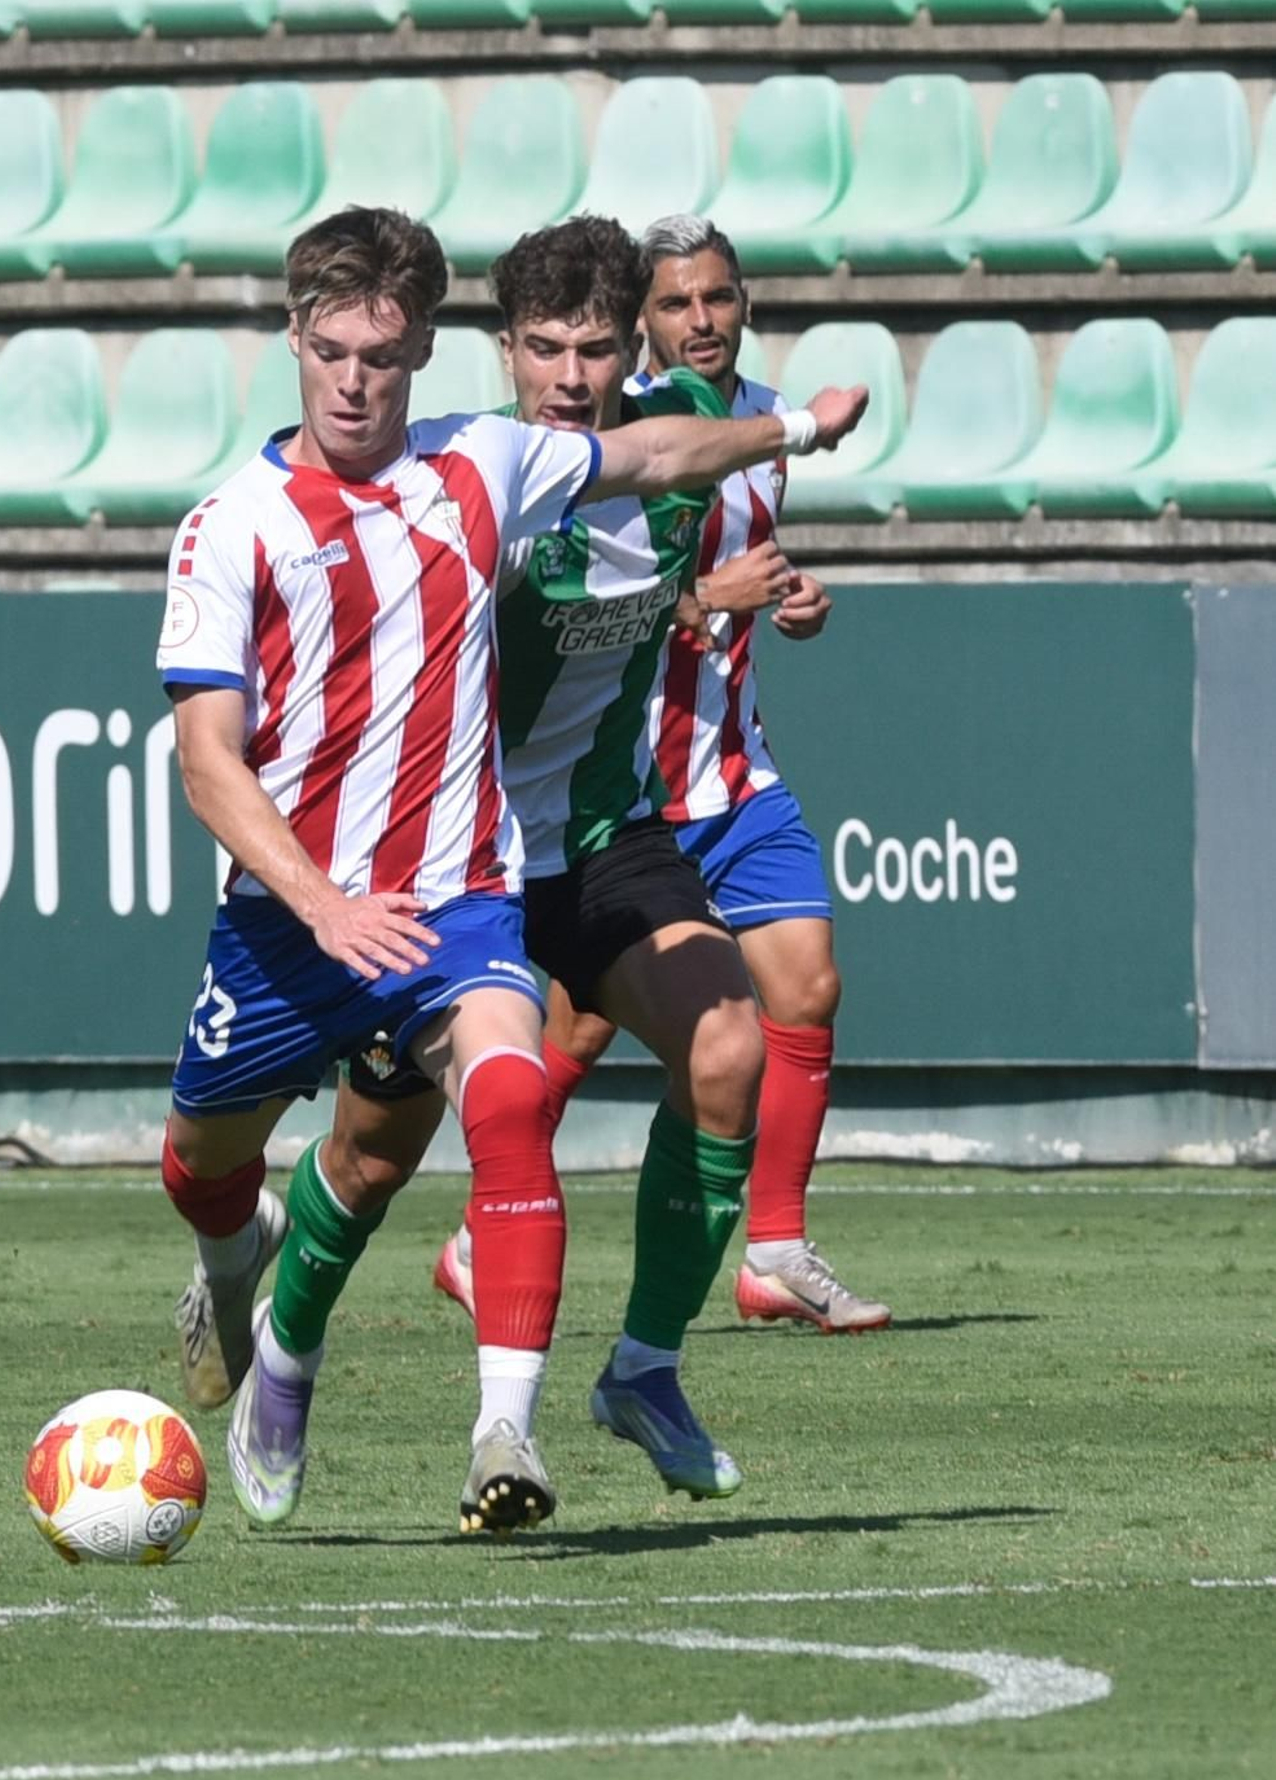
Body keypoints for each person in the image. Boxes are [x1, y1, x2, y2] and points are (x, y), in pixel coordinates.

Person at [157, 205, 868, 1537]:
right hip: (425, 854)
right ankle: (281, 1336)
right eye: (544, 348)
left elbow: (678, 453)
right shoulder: (488, 483)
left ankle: (614, 1383)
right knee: (361, 1167)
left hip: (573, 844)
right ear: (500, 354)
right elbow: (523, 635)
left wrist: (799, 454)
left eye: (597, 348)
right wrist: (690, 603)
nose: (571, 375)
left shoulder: (642, 458)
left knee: (718, 1048)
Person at [435, 214, 889, 1335]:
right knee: (579, 1030)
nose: (700, 320)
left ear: (744, 305)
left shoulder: (748, 424)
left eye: (718, 299)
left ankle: (772, 1247)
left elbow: (729, 582)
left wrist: (787, 604)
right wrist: (702, 601)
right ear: (642, 316)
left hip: (733, 766)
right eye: (677, 302)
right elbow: (620, 599)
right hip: (629, 784)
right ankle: (474, 1232)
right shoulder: (603, 439)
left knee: (803, 987)